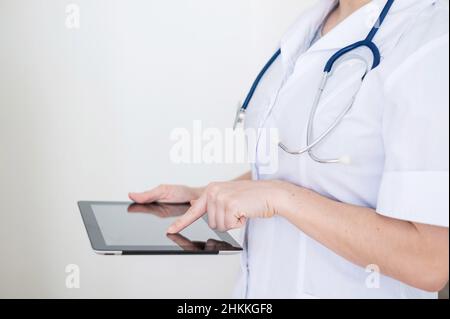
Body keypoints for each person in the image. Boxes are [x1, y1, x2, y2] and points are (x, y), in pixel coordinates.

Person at [129, 0, 449, 298]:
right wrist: (209, 195)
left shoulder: (431, 39)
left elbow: (430, 262)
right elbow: (294, 164)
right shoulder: (313, 25)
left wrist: (280, 198)